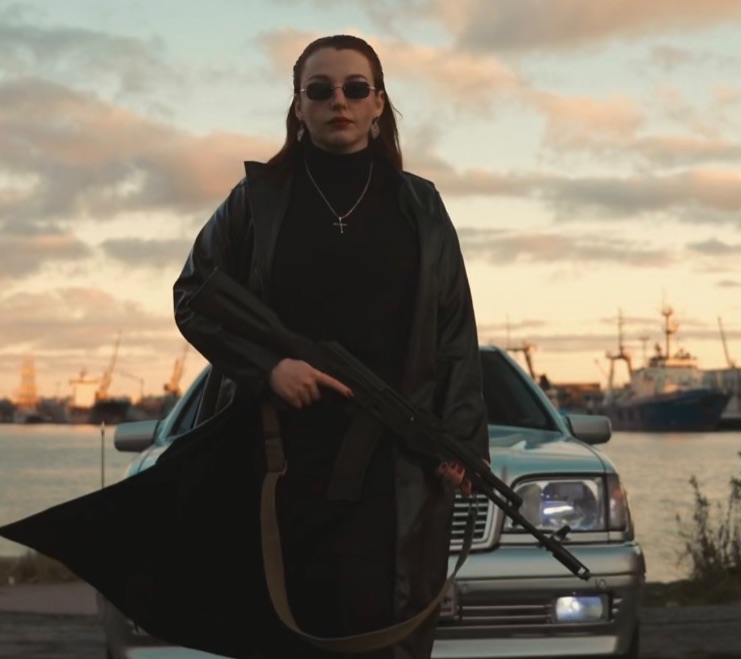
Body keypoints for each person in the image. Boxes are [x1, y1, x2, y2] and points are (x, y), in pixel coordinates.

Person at [172, 34, 490, 659]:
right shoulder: (257, 201)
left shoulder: (421, 205)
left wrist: (460, 444)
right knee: (281, 628)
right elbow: (193, 296)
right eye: (319, 90)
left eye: (355, 88)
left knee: (385, 630)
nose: (338, 101)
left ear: (378, 104)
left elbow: (454, 332)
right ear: (298, 106)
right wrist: (270, 369)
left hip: (394, 465)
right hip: (277, 459)